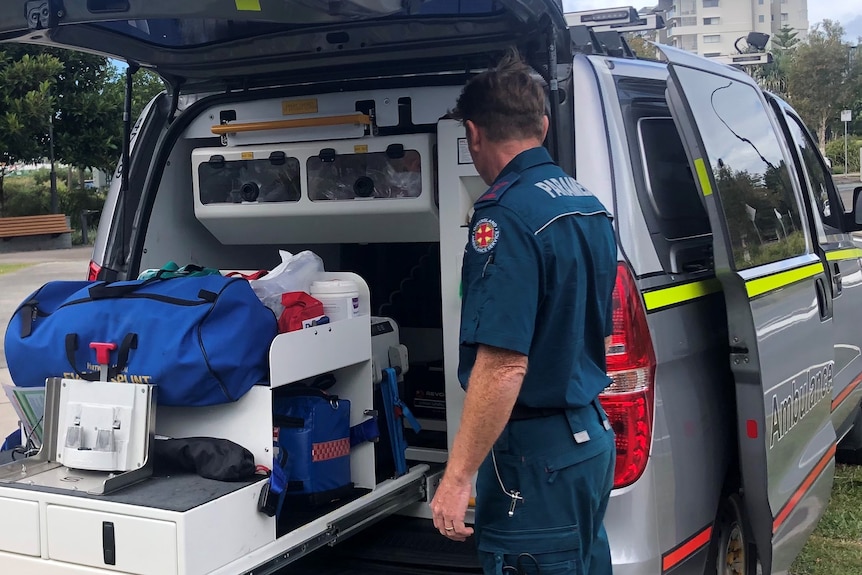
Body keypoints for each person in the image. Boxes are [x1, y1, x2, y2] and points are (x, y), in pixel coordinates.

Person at [429, 50, 618, 575]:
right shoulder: (584, 202)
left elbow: (504, 365)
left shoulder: (504, 214)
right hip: (585, 440)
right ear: (543, 124)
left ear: (473, 135)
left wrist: (457, 477)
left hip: (535, 461)